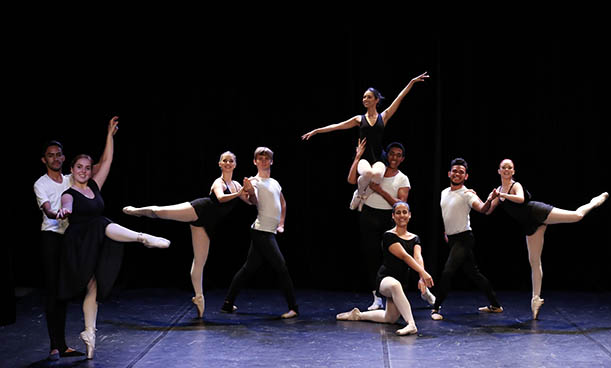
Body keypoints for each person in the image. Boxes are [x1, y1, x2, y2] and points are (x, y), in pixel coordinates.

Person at [57, 117, 171, 360]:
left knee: (94, 287)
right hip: (79, 245)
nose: (84, 171)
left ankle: (89, 334)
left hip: (96, 242)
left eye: (88, 168)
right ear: (72, 170)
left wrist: (109, 135)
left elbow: (107, 161)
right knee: (102, 222)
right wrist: (64, 210)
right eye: (79, 167)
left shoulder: (94, 186)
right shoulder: (68, 193)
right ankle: (142, 238)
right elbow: (66, 204)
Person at [121, 151, 249, 318]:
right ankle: (138, 211)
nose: (228, 163)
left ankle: (199, 297)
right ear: (220, 164)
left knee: (199, 261)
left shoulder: (237, 185)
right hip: (198, 210)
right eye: (225, 160)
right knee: (162, 212)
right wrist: (239, 194)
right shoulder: (219, 182)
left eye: (231, 161)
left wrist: (251, 189)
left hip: (207, 224)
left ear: (235, 164)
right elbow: (220, 198)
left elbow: (250, 200)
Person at [480, 159, 608, 320]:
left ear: (513, 171)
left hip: (537, 212)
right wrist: (489, 199)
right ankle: (536, 299)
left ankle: (594, 202)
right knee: (534, 260)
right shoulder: (498, 191)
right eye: (503, 167)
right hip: (529, 223)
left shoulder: (515, 185)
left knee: (577, 216)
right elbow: (487, 211)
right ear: (499, 171)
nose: (506, 170)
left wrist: (501, 195)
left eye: (509, 167)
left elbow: (520, 199)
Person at [301, 72, 429, 209]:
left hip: (378, 158)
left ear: (376, 100)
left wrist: (411, 82)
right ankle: (359, 194)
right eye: (364, 97)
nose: (365, 99)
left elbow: (399, 98)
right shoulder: (359, 119)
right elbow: (337, 126)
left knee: (377, 176)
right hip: (364, 157)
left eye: (369, 97)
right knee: (368, 173)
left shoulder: (383, 117)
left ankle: (363, 197)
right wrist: (317, 131)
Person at [220, 147, 298, 318]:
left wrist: (281, 223)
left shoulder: (275, 182)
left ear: (271, 161)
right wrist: (250, 190)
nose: (263, 161)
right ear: (255, 162)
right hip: (261, 231)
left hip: (268, 230)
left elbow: (283, 203)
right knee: (281, 267)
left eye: (266, 158)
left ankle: (227, 304)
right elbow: (253, 201)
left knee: (248, 269)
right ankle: (293, 307)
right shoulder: (254, 181)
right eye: (260, 158)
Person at [337, 202, 433, 336]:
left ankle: (358, 315)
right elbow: (405, 256)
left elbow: (418, 257)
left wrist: (422, 278)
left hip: (401, 282)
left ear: (409, 215)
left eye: (404, 212)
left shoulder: (415, 238)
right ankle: (411, 324)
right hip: (385, 279)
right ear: (393, 216)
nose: (402, 215)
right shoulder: (389, 236)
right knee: (394, 285)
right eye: (398, 213)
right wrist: (423, 272)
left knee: (390, 318)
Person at [430, 158, 500, 321]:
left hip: (464, 239)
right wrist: (447, 232)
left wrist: (489, 199)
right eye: (454, 171)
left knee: (448, 272)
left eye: (461, 172)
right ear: (449, 173)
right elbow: (448, 214)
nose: (457, 174)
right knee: (474, 274)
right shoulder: (444, 192)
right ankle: (496, 305)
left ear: (466, 176)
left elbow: (482, 209)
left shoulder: (468, 194)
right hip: (452, 239)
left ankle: (436, 307)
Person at [34, 140, 83, 360]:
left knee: (64, 290)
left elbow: (97, 167)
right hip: (51, 237)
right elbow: (48, 210)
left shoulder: (71, 179)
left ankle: (62, 345)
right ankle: (55, 345)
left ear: (63, 158)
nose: (55, 158)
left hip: (69, 237)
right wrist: (59, 213)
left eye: (58, 154)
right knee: (53, 291)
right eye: (50, 155)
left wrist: (109, 137)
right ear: (44, 159)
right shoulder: (41, 184)